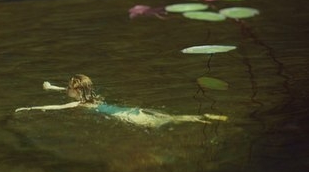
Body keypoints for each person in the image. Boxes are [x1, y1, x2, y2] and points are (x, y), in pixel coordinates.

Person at [15, 74, 226, 127]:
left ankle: (202, 119)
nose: (66, 89)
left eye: (68, 87)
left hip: (126, 117)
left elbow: (58, 107)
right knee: (171, 118)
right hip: (130, 110)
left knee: (166, 122)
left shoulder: (79, 103)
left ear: (76, 91)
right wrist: (52, 87)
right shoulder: (92, 97)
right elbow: (66, 93)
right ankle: (202, 117)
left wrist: (31, 107)